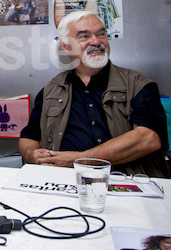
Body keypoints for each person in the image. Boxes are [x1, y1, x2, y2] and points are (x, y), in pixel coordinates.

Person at [19, 11, 169, 177]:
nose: (96, 41)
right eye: (84, 36)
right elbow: (29, 138)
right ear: (65, 46)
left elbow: (149, 139)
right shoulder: (50, 90)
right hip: (65, 184)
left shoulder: (139, 84)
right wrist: (32, 155)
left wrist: (80, 160)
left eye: (101, 34)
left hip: (130, 184)